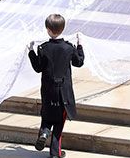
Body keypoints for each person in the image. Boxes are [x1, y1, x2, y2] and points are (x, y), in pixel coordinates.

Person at [28, 14, 86, 157]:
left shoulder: (43, 48)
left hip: (48, 91)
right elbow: (79, 62)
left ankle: (44, 132)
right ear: (63, 29)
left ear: (48, 29)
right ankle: (55, 153)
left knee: (47, 115)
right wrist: (79, 46)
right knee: (59, 123)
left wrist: (31, 51)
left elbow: (38, 67)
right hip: (63, 93)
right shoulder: (68, 47)